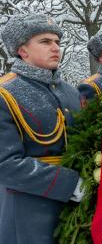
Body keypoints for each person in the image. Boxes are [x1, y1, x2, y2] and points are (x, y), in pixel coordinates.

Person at [0, 14, 84, 243]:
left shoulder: (70, 92)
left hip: (76, 215)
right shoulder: (5, 93)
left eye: (58, 42)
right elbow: (5, 165)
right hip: (29, 216)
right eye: (45, 42)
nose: (56, 48)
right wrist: (71, 184)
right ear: (22, 50)